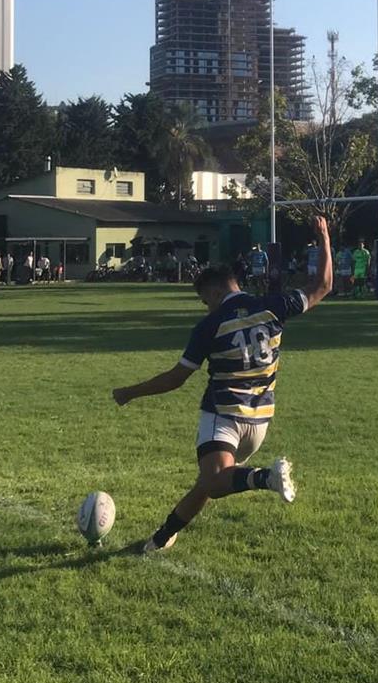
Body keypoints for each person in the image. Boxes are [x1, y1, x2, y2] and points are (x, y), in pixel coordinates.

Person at [112, 216, 334, 553]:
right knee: (209, 482)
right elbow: (323, 285)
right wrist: (324, 239)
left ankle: (265, 478)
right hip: (259, 421)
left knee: (215, 484)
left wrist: (130, 392)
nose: (206, 305)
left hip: (224, 416)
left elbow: (177, 378)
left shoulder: (210, 325)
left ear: (216, 290)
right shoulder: (273, 306)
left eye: (205, 299)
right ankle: (161, 538)